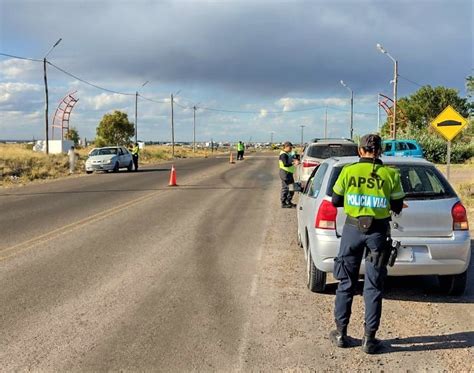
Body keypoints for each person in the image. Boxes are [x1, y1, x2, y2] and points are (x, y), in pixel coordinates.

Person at [329, 134, 405, 354]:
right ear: (379, 151)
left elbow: (335, 201)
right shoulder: (390, 174)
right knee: (373, 285)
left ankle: (341, 334)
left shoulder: (348, 171)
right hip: (378, 233)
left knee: (346, 283)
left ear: (360, 151)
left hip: (352, 230)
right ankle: (369, 340)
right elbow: (398, 205)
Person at [279, 141, 300, 208]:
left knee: (291, 188)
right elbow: (285, 164)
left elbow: (290, 159)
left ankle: (288, 201)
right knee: (286, 188)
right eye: (290, 148)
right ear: (287, 147)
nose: (291, 149)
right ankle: (284, 203)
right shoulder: (283, 154)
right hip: (285, 173)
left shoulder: (287, 153)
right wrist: (294, 163)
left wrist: (295, 158)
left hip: (288, 173)